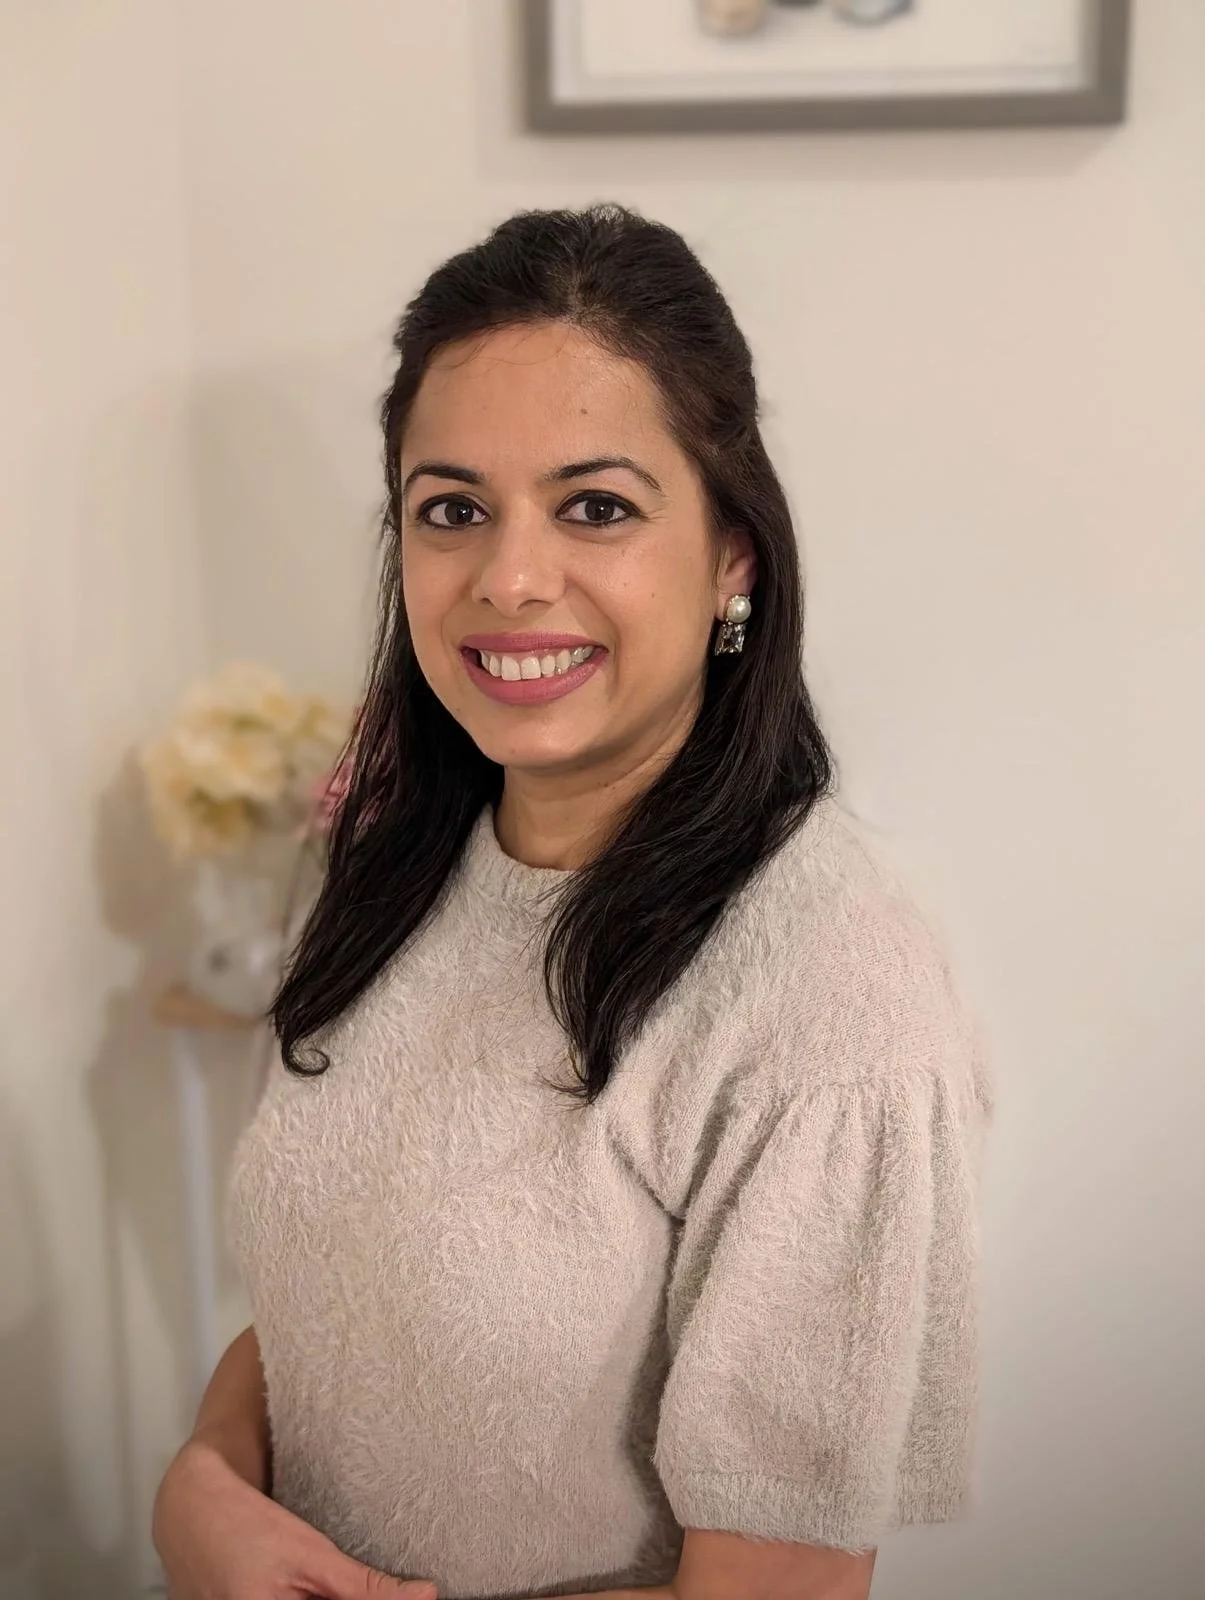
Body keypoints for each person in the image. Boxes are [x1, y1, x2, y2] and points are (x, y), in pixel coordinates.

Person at [152, 204, 993, 1600]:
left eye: (595, 506)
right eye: (453, 510)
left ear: (733, 553)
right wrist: (201, 1483)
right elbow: (337, 1292)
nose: (510, 579)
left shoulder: (830, 991)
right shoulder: (407, 865)